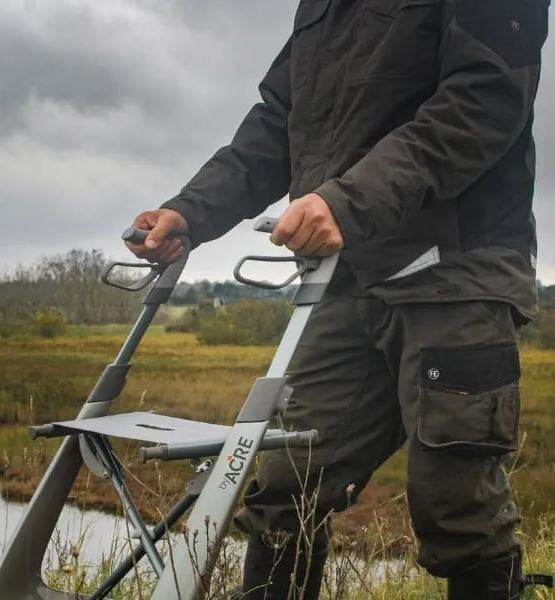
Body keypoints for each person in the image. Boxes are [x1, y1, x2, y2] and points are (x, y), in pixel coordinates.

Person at [127, 1, 551, 598]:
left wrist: (347, 203)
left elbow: (484, 101)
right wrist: (192, 211)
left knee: (458, 505)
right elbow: (279, 120)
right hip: (350, 276)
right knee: (284, 487)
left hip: (456, 274)